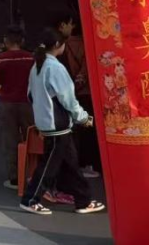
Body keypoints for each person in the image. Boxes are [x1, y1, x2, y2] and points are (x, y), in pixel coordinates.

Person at [19, 28, 106, 216]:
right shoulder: (55, 68)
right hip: (57, 123)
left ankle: (83, 201)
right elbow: (68, 99)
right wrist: (83, 117)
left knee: (70, 165)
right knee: (50, 165)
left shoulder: (37, 66)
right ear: (58, 45)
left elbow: (30, 95)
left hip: (48, 121)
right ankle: (30, 199)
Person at [52, 11, 100, 179]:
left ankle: (74, 164)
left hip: (67, 95)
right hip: (84, 94)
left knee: (73, 131)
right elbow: (85, 71)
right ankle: (87, 164)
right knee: (87, 129)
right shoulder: (83, 44)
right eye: (69, 23)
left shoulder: (59, 47)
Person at [0, 26, 35, 190]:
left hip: (7, 103)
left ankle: (14, 178)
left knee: (10, 140)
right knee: (30, 138)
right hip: (28, 103)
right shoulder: (31, 58)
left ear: (6, 41)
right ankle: (31, 174)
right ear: (22, 41)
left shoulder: (1, 59)